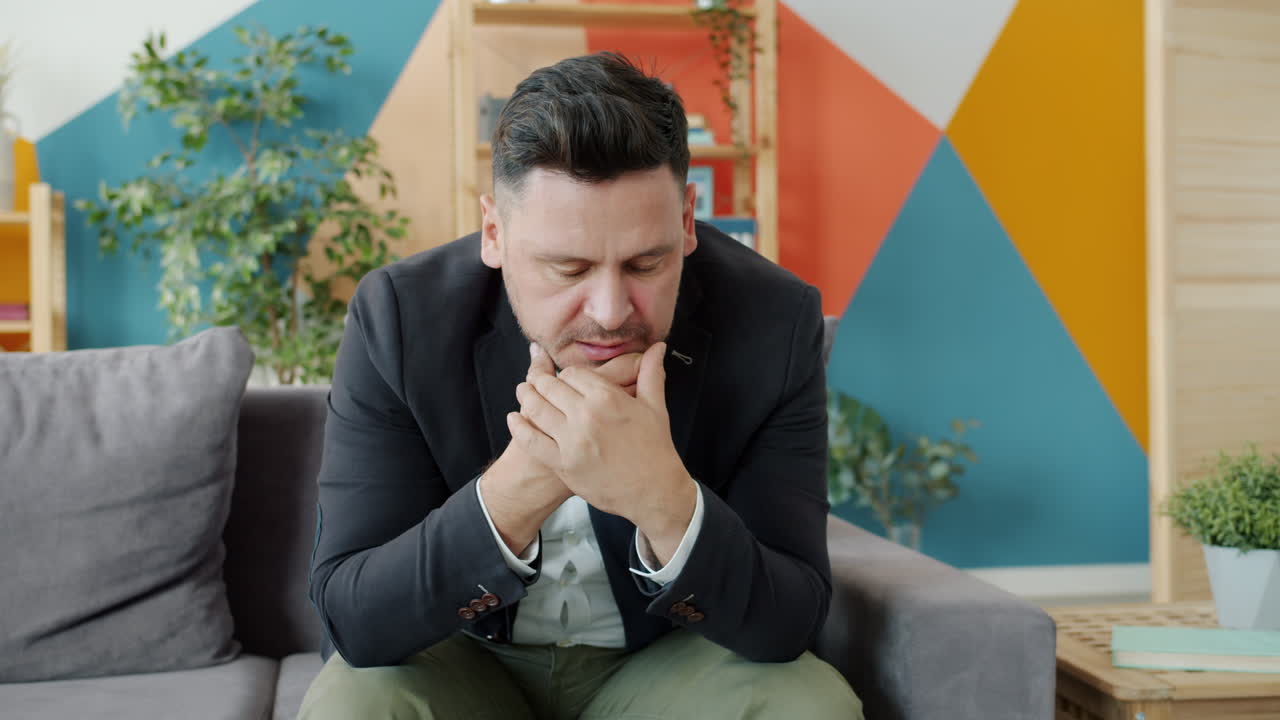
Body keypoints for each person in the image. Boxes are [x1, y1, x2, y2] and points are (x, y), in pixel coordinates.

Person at [297, 52, 864, 720]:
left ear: (687, 221)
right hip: (463, 655)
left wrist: (664, 500)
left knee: (809, 706)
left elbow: (791, 619)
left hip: (669, 659)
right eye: (567, 269)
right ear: (494, 233)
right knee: (355, 705)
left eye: (645, 263)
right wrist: (523, 485)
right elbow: (352, 618)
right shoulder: (399, 317)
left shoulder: (776, 320)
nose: (610, 311)